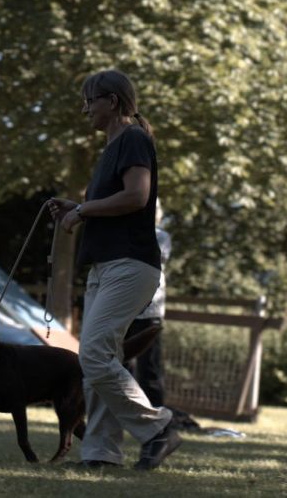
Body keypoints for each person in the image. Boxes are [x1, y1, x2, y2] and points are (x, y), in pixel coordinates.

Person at [49, 69, 180, 470]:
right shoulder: (110, 150)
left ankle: (158, 428)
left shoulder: (134, 139)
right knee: (99, 358)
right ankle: (101, 454)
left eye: (90, 100)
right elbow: (115, 204)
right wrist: (78, 207)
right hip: (105, 267)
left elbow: (137, 196)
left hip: (130, 264)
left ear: (113, 101)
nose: (85, 109)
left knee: (92, 354)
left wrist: (84, 210)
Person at [125, 208, 171, 408]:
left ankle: (157, 413)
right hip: (125, 308)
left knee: (149, 366)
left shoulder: (161, 236)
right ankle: (123, 409)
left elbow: (153, 258)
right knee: (121, 363)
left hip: (150, 310)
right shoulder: (126, 233)